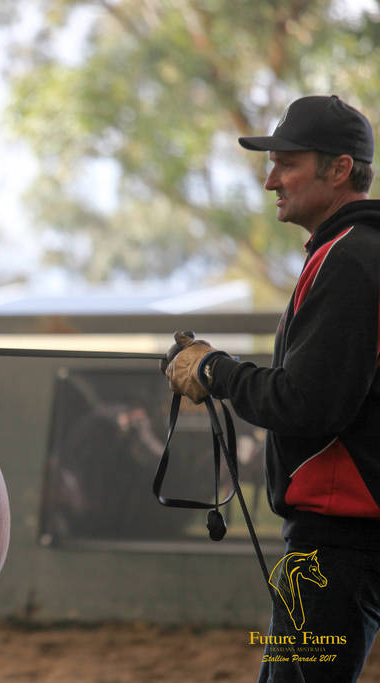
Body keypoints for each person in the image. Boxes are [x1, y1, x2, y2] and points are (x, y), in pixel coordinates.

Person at [163, 95, 380, 683]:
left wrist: (215, 371)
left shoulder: (350, 259)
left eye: (287, 164)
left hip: (337, 549)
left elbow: (306, 403)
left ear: (339, 169)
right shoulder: (351, 254)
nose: (269, 182)